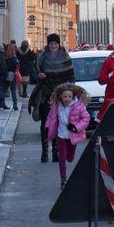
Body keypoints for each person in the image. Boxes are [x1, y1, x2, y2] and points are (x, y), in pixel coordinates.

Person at [32, 33, 75, 163]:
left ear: (59, 44)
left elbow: (71, 76)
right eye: (51, 44)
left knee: (59, 124)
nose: (53, 46)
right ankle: (44, 151)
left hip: (62, 96)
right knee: (46, 124)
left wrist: (71, 92)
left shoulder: (65, 57)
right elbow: (34, 73)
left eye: (55, 44)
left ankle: (56, 152)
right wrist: (39, 76)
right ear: (48, 45)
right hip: (46, 94)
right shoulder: (41, 57)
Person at [45, 83, 91, 189]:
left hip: (72, 136)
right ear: (60, 96)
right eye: (65, 96)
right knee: (62, 157)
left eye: (69, 96)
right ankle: (63, 179)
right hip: (61, 136)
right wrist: (48, 127)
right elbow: (51, 117)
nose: (67, 99)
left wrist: (76, 127)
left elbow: (86, 119)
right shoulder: (56, 106)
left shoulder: (78, 106)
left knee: (70, 158)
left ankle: (69, 159)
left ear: (73, 96)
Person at [3, 43, 21, 110]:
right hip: (12, 76)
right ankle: (15, 105)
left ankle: (3, 104)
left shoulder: (4, 57)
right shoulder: (14, 58)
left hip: (5, 75)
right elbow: (17, 67)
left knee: (4, 91)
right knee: (13, 91)